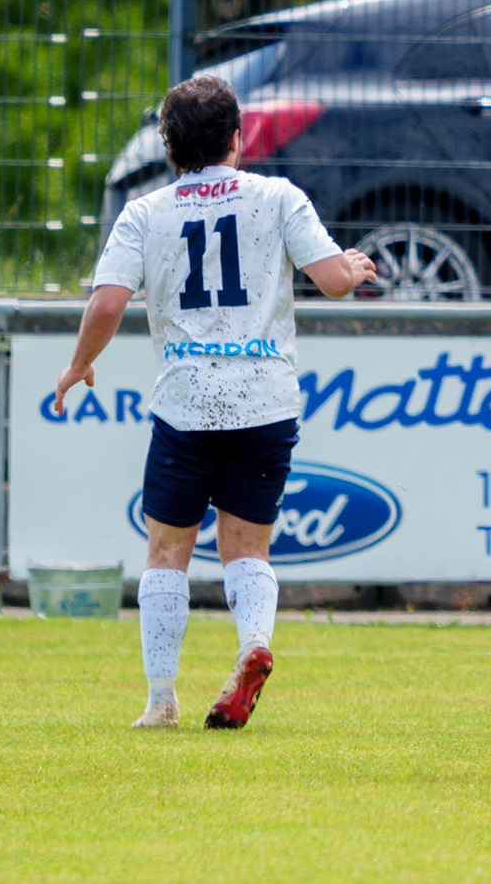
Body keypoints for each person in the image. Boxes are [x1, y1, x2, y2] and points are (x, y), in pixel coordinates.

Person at [52, 75, 377, 730]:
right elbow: (335, 281)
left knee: (168, 551)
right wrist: (357, 265)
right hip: (267, 404)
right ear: (238, 138)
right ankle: (253, 644)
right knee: (247, 549)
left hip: (187, 407)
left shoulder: (146, 213)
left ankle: (161, 699)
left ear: (169, 146)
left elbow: (109, 302)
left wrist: (79, 364)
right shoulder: (278, 197)